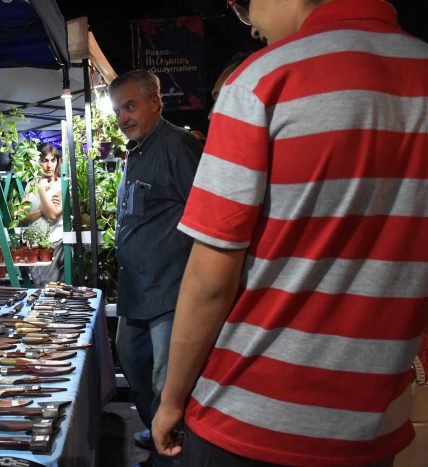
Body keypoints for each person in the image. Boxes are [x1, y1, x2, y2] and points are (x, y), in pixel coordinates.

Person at [152, 0, 428, 465]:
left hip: (251, 416)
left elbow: (211, 279)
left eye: (244, 8)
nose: (252, 26)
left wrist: (171, 399)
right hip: (371, 422)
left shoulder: (263, 80)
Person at [110, 69, 202, 466]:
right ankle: (159, 430)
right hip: (136, 292)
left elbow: (205, 218)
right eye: (118, 110)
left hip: (170, 291)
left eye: (130, 106)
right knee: (131, 361)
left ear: (155, 103)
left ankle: (173, 456)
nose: (123, 117)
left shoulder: (177, 145)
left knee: (169, 383)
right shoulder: (137, 151)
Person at [22, 142, 63, 287]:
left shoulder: (61, 185)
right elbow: (22, 216)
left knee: (51, 288)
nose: (49, 165)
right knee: (38, 288)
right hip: (33, 245)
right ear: (38, 162)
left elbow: (52, 215)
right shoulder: (31, 183)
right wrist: (41, 211)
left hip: (54, 243)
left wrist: (41, 190)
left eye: (53, 160)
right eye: (45, 160)